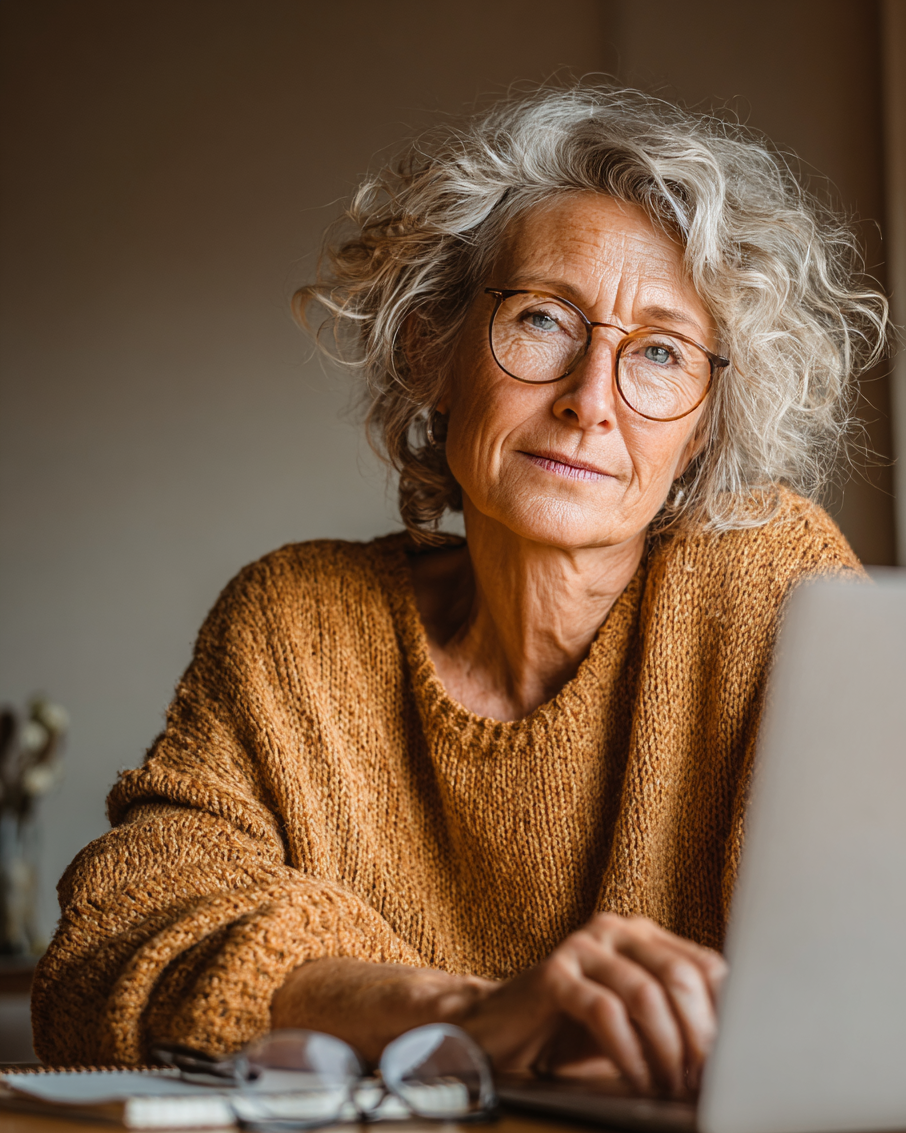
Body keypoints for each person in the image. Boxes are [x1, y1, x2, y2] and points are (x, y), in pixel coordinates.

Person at [32, 85, 887, 1098]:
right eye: (541, 320)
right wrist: (463, 1015)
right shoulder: (292, 625)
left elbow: (867, 963)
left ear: (702, 424)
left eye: (658, 352)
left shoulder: (768, 586)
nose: (588, 401)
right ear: (432, 349)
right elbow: (108, 942)